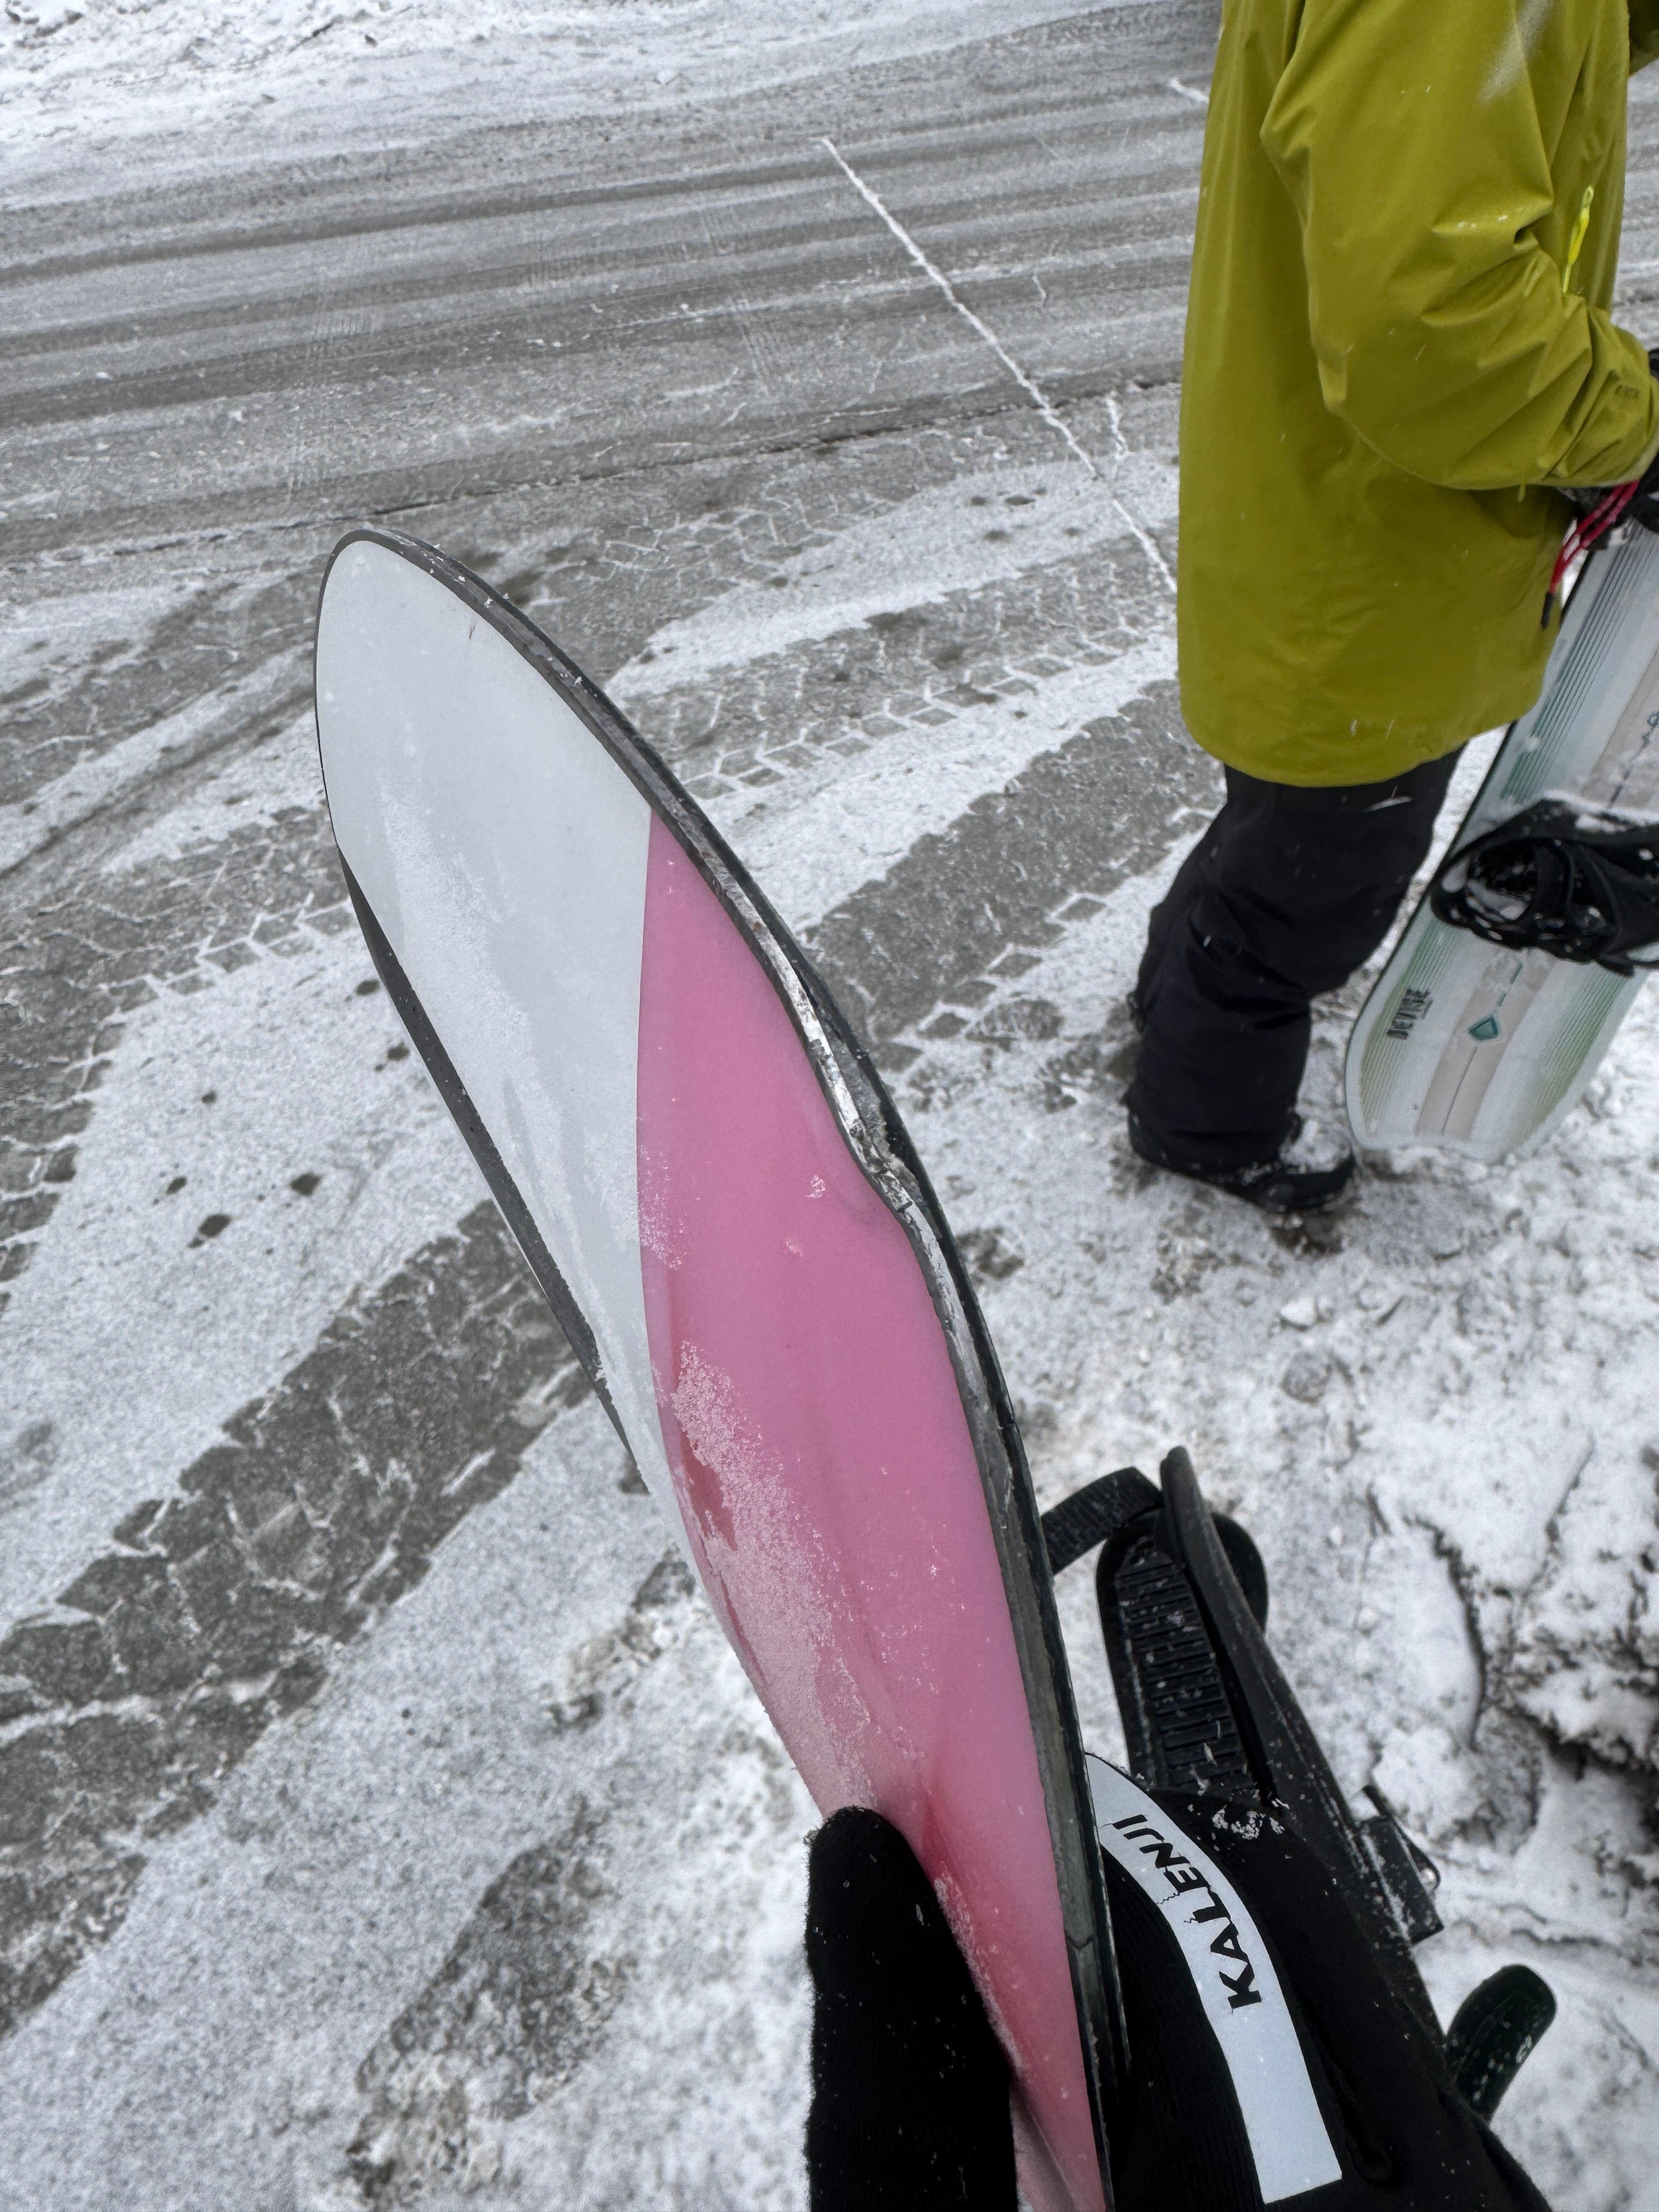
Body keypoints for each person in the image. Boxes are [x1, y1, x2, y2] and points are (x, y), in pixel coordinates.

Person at [1126, 0, 1659, 1214]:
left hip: (1337, 519)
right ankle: (1208, 1123)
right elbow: (1432, 322)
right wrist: (1627, 416)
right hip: (1372, 557)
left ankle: (1182, 993)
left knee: (1281, 830)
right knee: (1318, 885)